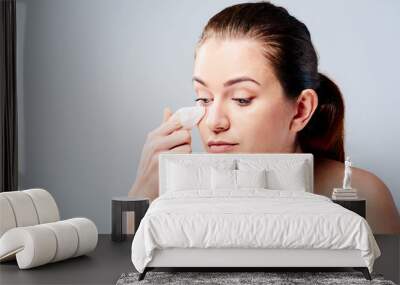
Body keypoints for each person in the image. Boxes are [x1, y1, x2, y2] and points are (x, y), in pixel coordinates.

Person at [129, 2, 400, 234]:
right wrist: (142, 193)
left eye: (241, 99)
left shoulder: (362, 196)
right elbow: (125, 269)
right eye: (203, 98)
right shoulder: (180, 197)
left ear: (301, 109)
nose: (214, 122)